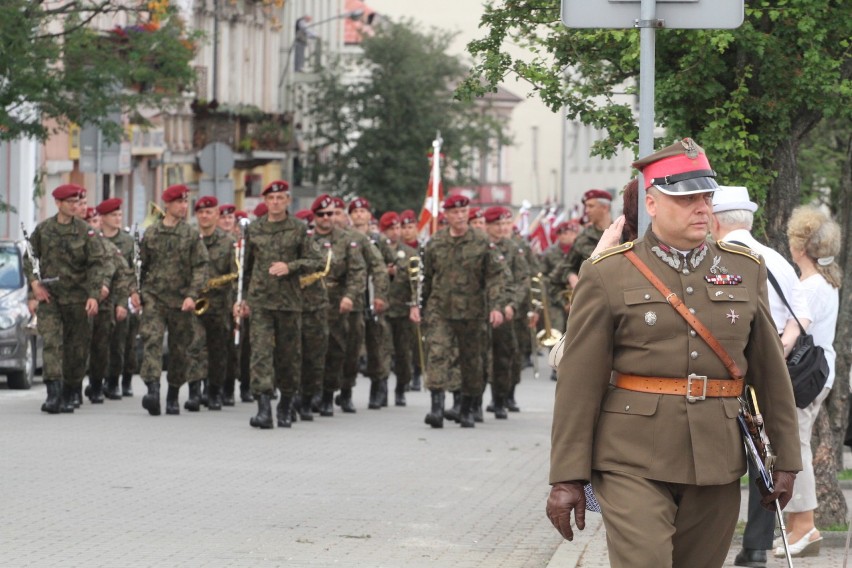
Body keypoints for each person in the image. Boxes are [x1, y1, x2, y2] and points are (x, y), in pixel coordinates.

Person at [546, 138, 802, 568]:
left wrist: (787, 460)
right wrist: (567, 476)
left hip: (717, 459)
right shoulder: (608, 272)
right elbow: (579, 381)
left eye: (706, 196)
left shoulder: (744, 269)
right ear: (652, 203)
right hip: (630, 457)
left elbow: (770, 374)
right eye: (686, 198)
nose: (702, 207)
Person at [708, 186, 812, 568]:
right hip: (765, 377)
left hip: (722, 376)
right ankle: (756, 546)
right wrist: (774, 355)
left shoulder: (716, 259)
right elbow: (802, 318)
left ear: (715, 221)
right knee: (762, 457)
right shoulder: (776, 260)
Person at [774, 205, 842, 559]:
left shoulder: (811, 286)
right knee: (794, 444)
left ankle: (805, 525)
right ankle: (797, 524)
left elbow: (794, 329)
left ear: (800, 245)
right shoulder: (823, 281)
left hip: (804, 372)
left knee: (794, 447)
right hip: (816, 371)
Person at [236, 180, 323, 429]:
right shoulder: (254, 229)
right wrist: (242, 298)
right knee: (260, 355)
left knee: (288, 357)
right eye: (271, 199)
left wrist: (291, 266)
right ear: (265, 202)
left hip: (289, 302)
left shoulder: (298, 228)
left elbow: (316, 260)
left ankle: (285, 404)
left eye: (280, 198)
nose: (275, 203)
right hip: (260, 302)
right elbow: (247, 268)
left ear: (287, 201)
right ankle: (264, 409)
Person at [413, 194, 505, 429]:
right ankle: (436, 407)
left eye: (464, 211)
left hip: (472, 312)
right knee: (437, 353)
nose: (460, 216)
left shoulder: (482, 241)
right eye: (454, 212)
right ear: (446, 215)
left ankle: (466, 409)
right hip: (440, 309)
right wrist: (419, 306)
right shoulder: (435, 243)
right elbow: (428, 279)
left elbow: (494, 277)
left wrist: (496, 307)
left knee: (471, 361)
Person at [25, 184, 107, 414]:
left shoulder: (86, 231)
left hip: (78, 298)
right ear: (58, 203)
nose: (74, 205)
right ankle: (53, 394)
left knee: (76, 348)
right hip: (51, 298)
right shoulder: (43, 230)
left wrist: (93, 296)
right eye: (69, 202)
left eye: (77, 201)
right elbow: (29, 258)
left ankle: (71, 390)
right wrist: (34, 284)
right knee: (51, 343)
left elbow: (96, 264)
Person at [133, 184, 209, 416]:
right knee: (152, 341)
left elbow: (200, 267)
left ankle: (174, 393)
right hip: (154, 297)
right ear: (167, 204)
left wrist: (191, 295)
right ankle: (153, 391)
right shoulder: (152, 233)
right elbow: (139, 266)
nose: (183, 206)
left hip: (181, 299)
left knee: (179, 349)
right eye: (179, 202)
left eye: (186, 202)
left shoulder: (191, 235)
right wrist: (134, 291)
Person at [306, 194, 365, 419]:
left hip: (336, 302)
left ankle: (329, 395)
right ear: (314, 217)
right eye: (322, 215)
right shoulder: (306, 239)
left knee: (335, 350)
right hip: (310, 302)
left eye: (330, 214)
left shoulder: (346, 240)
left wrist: (350, 296)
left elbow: (357, 271)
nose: (327, 218)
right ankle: (311, 392)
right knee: (311, 350)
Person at [192, 196, 236, 411]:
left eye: (209, 212)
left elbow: (235, 273)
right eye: (201, 212)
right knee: (194, 346)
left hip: (219, 304)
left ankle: (215, 391)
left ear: (217, 215)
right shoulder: (191, 239)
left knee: (218, 350)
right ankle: (194, 389)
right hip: (194, 301)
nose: (204, 216)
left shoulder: (227, 242)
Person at [97, 198, 139, 399]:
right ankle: (99, 379)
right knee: (99, 343)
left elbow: (131, 272)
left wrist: (127, 299)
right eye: (113, 215)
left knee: (121, 343)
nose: (118, 218)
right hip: (100, 297)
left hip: (121, 295)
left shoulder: (128, 242)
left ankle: (116, 381)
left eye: (120, 215)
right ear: (103, 218)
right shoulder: (94, 240)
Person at [378, 211, 418, 407]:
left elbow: (416, 283)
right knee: (383, 350)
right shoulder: (377, 250)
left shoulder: (410, 253)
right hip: (383, 308)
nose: (395, 232)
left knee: (404, 352)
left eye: (397, 228)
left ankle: (401, 387)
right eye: (390, 229)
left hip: (403, 309)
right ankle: (382, 388)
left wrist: (415, 306)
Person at [561, 189, 613, 289]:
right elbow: (567, 267)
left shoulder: (622, 232)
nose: (586, 211)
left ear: (605, 208)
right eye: (586, 206)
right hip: (591, 294)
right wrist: (572, 278)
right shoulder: (583, 237)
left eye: (591, 206)